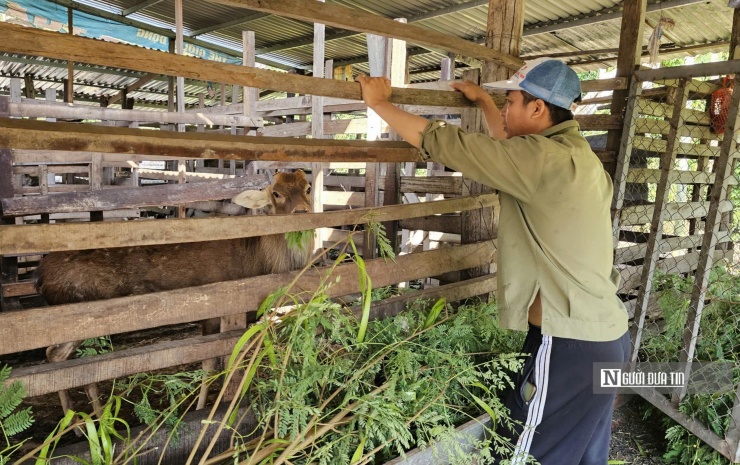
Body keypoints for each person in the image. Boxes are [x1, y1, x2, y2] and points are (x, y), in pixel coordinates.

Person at [356, 57, 631, 465]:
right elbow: (506, 149)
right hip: (608, 339)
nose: (505, 110)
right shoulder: (580, 160)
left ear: (537, 109)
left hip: (567, 347)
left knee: (520, 453)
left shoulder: (539, 159)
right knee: (583, 457)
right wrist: (485, 101)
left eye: (512, 101)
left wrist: (379, 104)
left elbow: (455, 145)